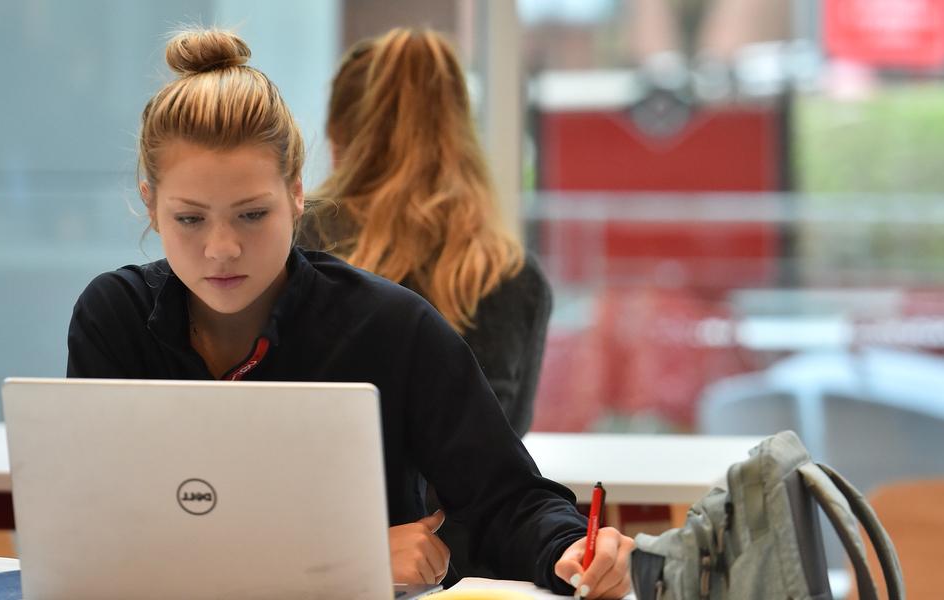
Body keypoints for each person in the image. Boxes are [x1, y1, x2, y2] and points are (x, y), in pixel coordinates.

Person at [66, 28, 632, 598]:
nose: (221, 249)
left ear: (295, 194)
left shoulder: (390, 326)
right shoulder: (113, 316)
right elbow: (95, 529)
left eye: (252, 215)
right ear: (149, 203)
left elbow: (505, 500)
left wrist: (571, 548)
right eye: (189, 219)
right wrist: (344, 553)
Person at [305, 27, 549, 438]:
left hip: (306, 499)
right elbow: (507, 458)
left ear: (338, 141)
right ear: (462, 137)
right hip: (463, 505)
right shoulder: (514, 278)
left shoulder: (296, 244)